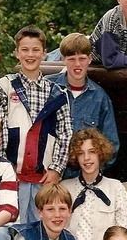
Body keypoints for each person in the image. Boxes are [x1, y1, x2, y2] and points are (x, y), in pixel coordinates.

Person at [0, 25, 73, 224]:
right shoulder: (3, 86)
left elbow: (65, 134)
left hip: (43, 179)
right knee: (9, 228)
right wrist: (3, 168)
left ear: (44, 53)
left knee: (41, 228)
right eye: (25, 50)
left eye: (36, 50)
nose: (30, 55)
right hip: (11, 177)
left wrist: (56, 169)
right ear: (16, 52)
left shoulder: (58, 93)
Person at [61, 128, 127, 240]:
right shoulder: (65, 187)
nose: (87, 158)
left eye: (92, 152)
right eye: (81, 153)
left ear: (100, 154)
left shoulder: (115, 187)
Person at [47, 33, 120, 168]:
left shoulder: (100, 97)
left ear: (90, 59)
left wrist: (93, 172)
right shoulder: (47, 88)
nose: (77, 64)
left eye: (82, 58)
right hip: (49, 171)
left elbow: (111, 145)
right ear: (63, 59)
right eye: (71, 59)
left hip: (83, 173)